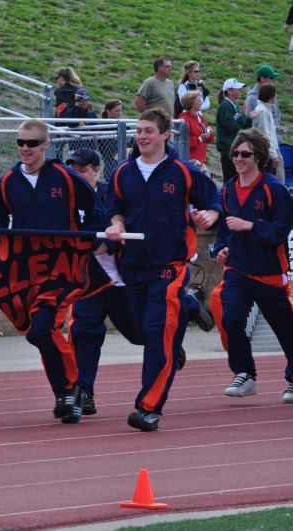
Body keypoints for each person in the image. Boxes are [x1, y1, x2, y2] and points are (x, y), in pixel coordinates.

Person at [104, 107, 221, 432]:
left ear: (165, 134)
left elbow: (213, 200)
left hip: (169, 266)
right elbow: (114, 209)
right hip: (132, 267)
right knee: (144, 331)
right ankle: (188, 306)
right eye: (139, 131)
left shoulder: (182, 172)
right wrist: (116, 225)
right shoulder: (123, 173)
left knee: (157, 334)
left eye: (148, 131)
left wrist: (210, 215)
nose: (141, 136)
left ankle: (148, 407)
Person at [0, 119, 99, 424]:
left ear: (46, 144)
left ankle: (69, 390)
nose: (25, 149)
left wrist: (95, 241)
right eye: (20, 143)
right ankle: (68, 394)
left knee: (41, 330)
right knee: (42, 333)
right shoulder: (7, 183)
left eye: (31, 143)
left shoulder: (67, 178)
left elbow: (97, 214)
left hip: (63, 273)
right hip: (26, 275)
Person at [210, 128, 293, 404]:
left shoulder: (274, 190)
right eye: (235, 153)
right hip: (238, 268)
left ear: (257, 156)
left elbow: (280, 230)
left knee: (284, 327)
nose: (238, 158)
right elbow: (223, 228)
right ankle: (245, 373)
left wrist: (250, 226)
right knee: (230, 317)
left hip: (269, 271)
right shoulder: (229, 188)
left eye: (244, 154)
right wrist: (220, 249)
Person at [65, 148, 143, 415]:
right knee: (84, 332)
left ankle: (183, 315)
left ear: (96, 169)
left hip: (119, 280)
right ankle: (84, 391)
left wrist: (104, 245)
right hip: (87, 282)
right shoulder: (66, 198)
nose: (77, 175)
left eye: (82, 169)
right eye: (72, 170)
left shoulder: (112, 194)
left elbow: (124, 226)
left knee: (139, 333)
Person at [216, 78, 255, 181]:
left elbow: (240, 126)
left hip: (234, 147)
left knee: (235, 179)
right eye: (237, 89)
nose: (240, 91)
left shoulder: (233, 105)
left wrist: (248, 118)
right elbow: (232, 128)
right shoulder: (225, 106)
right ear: (229, 91)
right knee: (230, 180)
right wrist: (244, 116)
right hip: (228, 148)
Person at [245, 65, 283, 146]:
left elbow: (277, 117)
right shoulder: (252, 98)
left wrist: (279, 134)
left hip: (275, 144)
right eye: (272, 78)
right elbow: (250, 123)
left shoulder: (272, 94)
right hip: (262, 145)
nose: (274, 80)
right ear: (262, 79)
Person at [252, 85, 282, 176]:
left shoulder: (265, 109)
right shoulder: (263, 111)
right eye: (275, 94)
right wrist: (274, 156)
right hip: (265, 155)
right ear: (271, 96)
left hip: (265, 153)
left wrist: (275, 129)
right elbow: (264, 135)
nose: (276, 96)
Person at [178, 90, 214, 166]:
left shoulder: (199, 117)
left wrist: (209, 133)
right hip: (190, 161)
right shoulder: (184, 119)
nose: (201, 102)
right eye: (198, 101)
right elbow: (183, 142)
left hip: (201, 159)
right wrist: (199, 138)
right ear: (191, 103)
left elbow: (209, 138)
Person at [97, 99, 123, 179]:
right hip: (109, 156)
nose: (119, 113)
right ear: (108, 111)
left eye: (120, 111)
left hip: (122, 153)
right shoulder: (103, 125)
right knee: (111, 175)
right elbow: (101, 144)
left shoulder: (122, 123)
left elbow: (130, 141)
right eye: (116, 111)